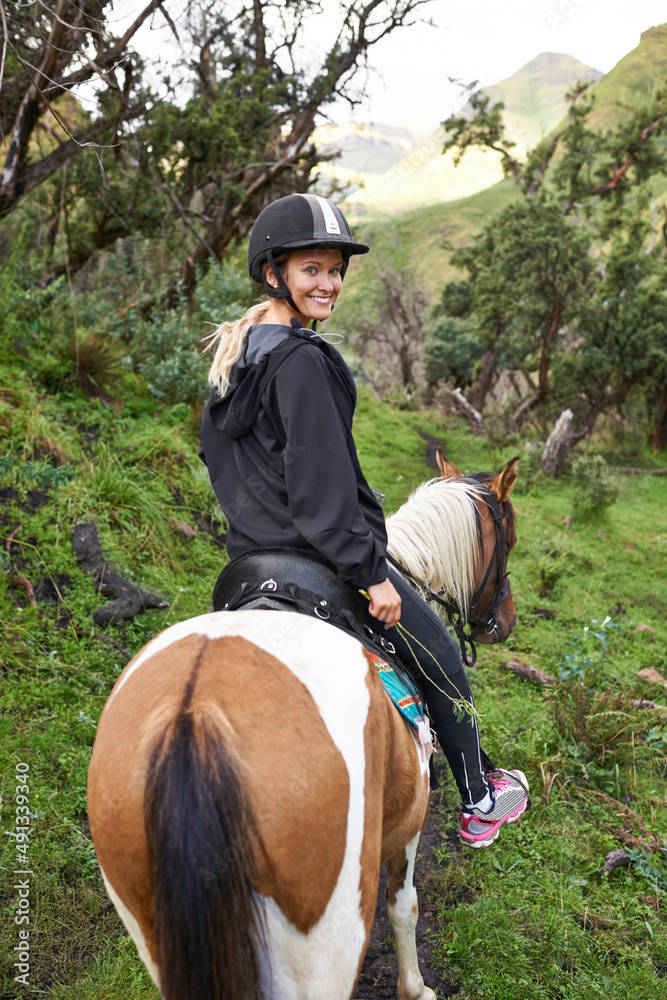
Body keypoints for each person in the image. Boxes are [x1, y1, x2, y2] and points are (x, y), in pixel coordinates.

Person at [199, 193, 528, 848]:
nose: (327, 283)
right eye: (311, 269)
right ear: (274, 273)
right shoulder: (301, 362)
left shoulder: (233, 365)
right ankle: (478, 792)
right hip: (317, 560)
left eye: (334, 270)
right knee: (439, 657)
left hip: (245, 568)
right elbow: (321, 489)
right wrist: (369, 573)